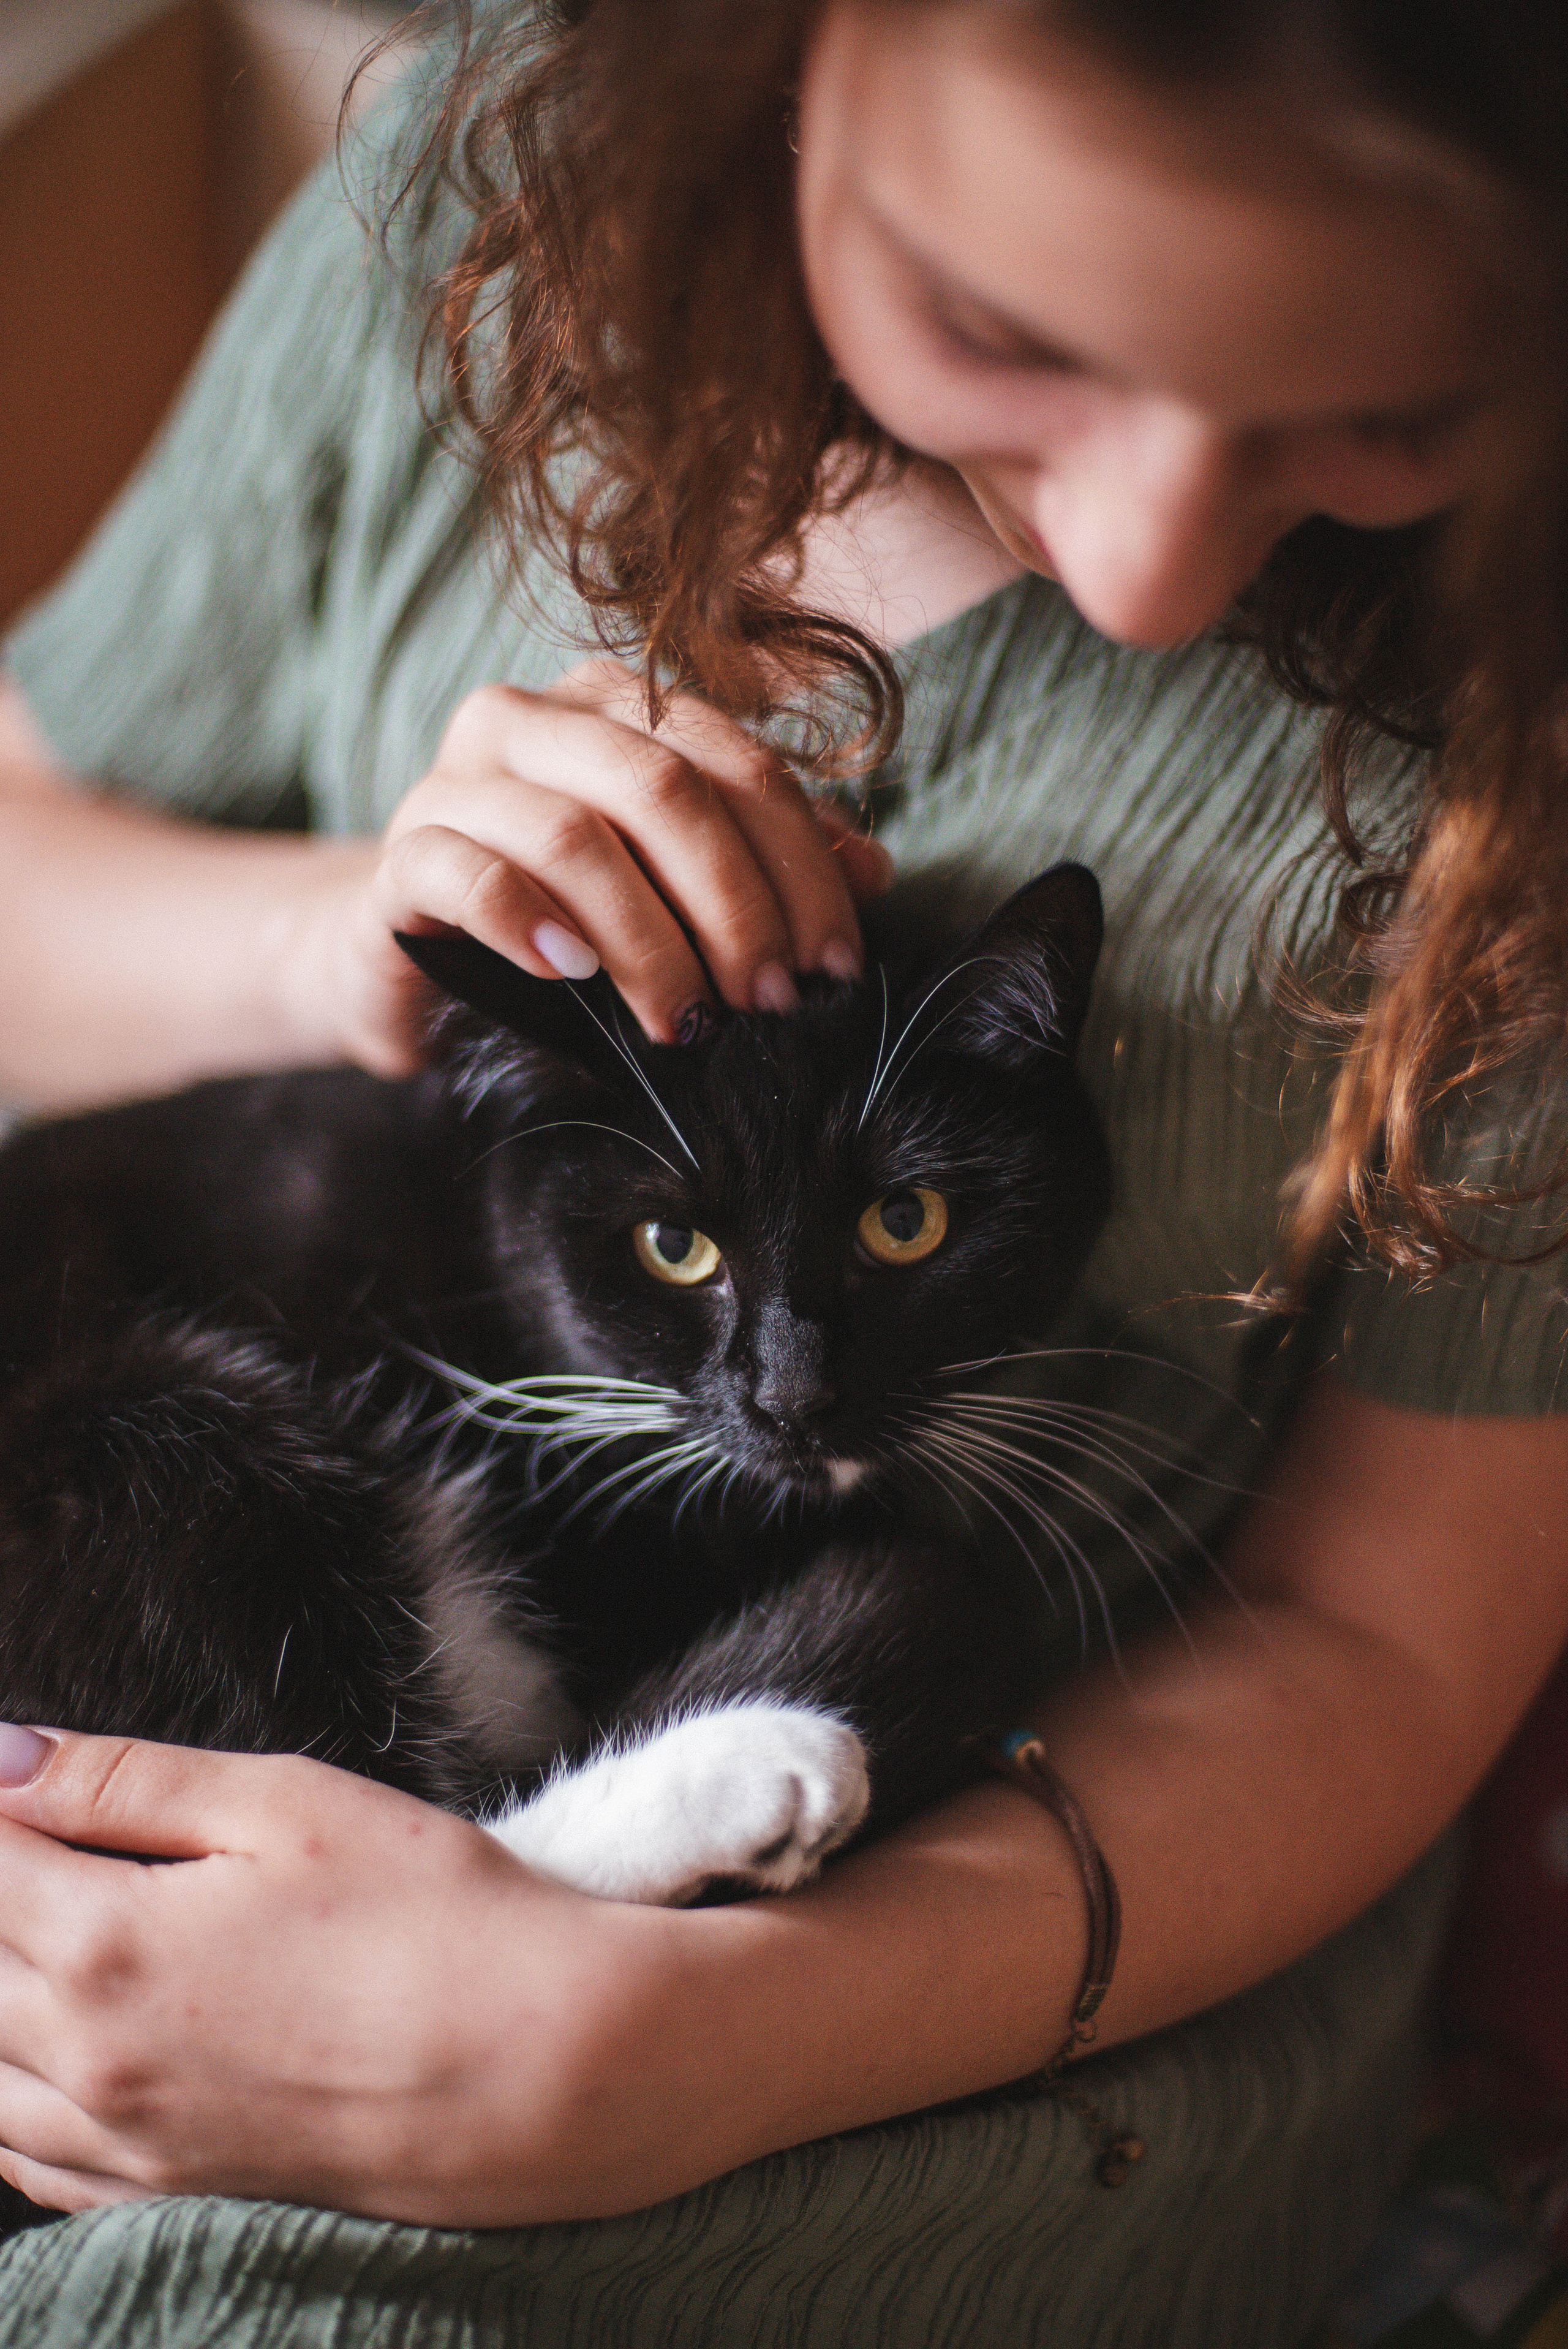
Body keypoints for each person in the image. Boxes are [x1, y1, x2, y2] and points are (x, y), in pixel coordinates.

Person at [0, 0, 1564, 2336]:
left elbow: (1382, 1633)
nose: (1145, 565)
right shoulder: (470, 218)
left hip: (985, 1964)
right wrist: (340, 941)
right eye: (997, 326)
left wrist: (656, 2037)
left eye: (1386, 414)